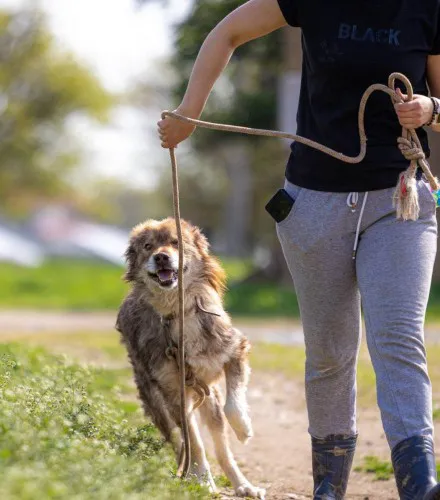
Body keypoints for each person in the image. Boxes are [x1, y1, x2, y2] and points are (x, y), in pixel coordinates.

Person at [157, 1, 440, 498]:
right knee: (330, 352)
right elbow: (227, 34)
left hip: (400, 201)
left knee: (398, 338)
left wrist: (431, 109)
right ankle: (327, 487)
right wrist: (188, 114)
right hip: (313, 201)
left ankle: (419, 485)